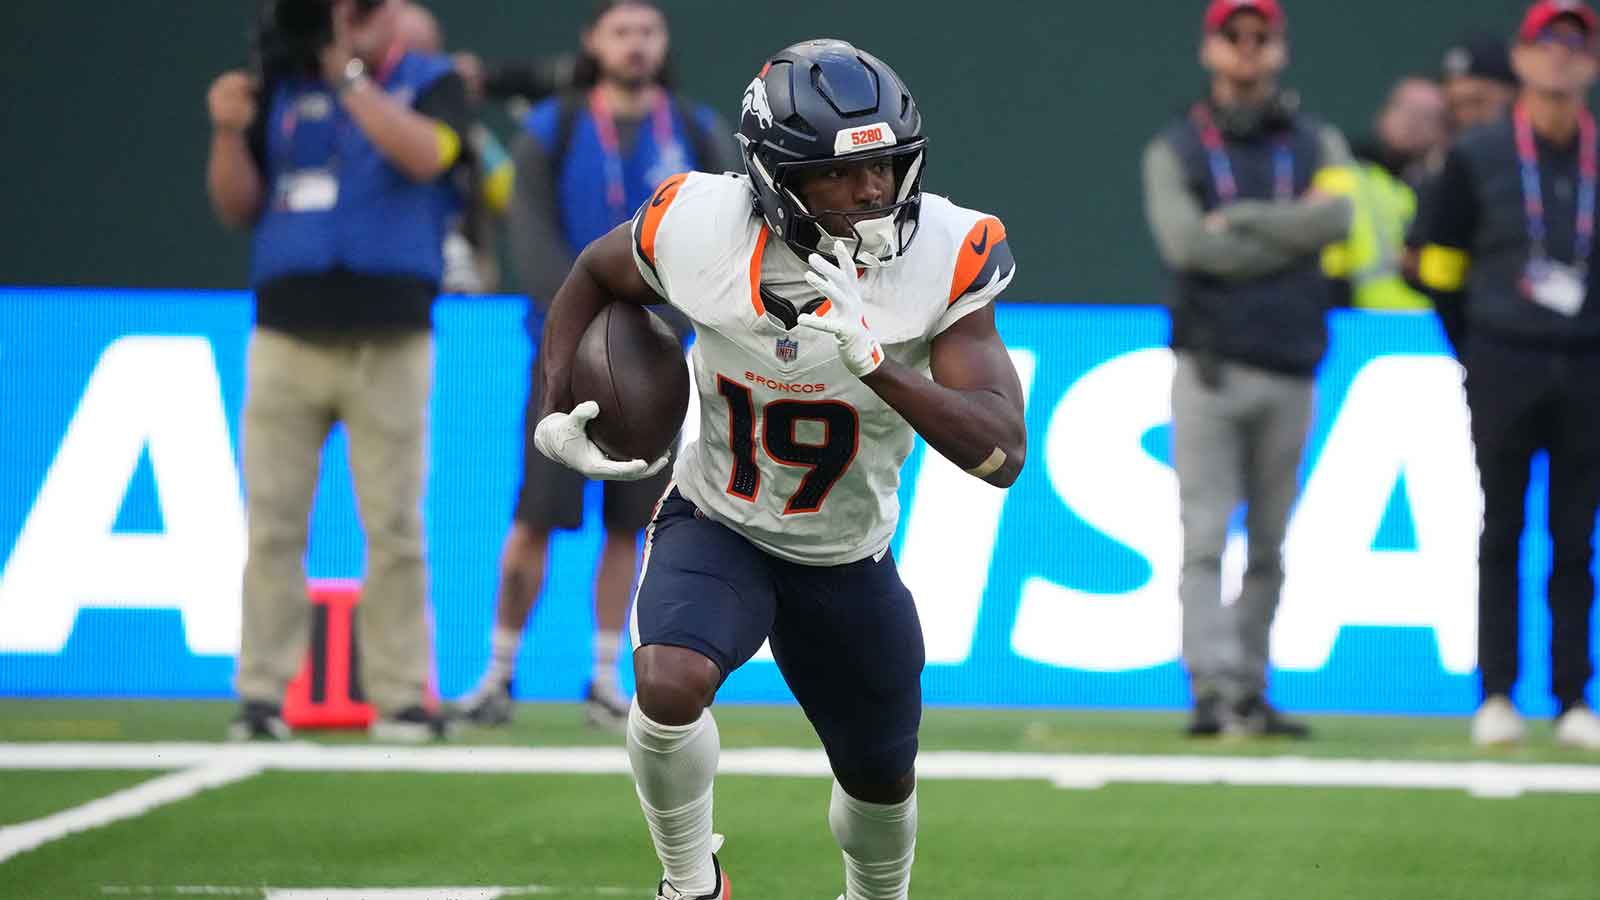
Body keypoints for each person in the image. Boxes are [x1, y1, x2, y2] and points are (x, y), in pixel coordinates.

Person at [531, 37, 1025, 900]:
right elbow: (593, 273)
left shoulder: (945, 250)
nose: (872, 192)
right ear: (774, 176)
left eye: (885, 167)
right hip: (720, 518)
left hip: (846, 553)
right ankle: (690, 884)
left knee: (881, 781)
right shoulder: (699, 225)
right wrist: (553, 402)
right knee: (667, 680)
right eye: (839, 174)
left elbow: (1002, 453)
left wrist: (879, 365)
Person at [452, 0, 736, 730]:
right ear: (593, 42)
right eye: (621, 32)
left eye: (648, 32)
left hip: (659, 363)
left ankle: (607, 677)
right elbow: (534, 242)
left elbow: (718, 242)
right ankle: (497, 675)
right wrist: (586, 333)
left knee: (631, 525)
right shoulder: (554, 129)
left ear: (663, 42)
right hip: (564, 355)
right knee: (534, 517)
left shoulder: (695, 130)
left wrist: (662, 332)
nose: (636, 45)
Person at [207, 0, 465, 742]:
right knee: (273, 521)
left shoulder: (432, 80)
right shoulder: (277, 87)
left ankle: (401, 695)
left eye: (357, 14)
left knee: (393, 524)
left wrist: (348, 77)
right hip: (286, 334)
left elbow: (430, 156)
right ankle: (261, 693)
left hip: (389, 337)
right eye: (333, 16)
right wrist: (228, 129)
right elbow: (236, 205)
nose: (343, 28)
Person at [1141, 0, 1352, 739]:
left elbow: (1338, 218)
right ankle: (1211, 687)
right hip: (1212, 368)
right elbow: (1188, 245)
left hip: (1291, 364)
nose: (1248, 49)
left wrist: (1244, 220)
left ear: (1280, 49)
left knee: (1269, 542)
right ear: (1211, 48)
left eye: (1262, 38)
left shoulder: (1316, 140)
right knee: (1204, 535)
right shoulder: (1177, 145)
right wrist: (1290, 233)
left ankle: (1250, 686)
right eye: (1235, 36)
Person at [1415, 0, 1600, 750]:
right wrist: (1474, 344)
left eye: (1575, 45)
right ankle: (1495, 693)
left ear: (1592, 64)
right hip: (1503, 358)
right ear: (1520, 59)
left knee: (1576, 537)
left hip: (1587, 363)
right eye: (1546, 43)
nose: (1560, 57)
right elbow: (1438, 262)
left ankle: (1573, 698)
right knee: (1502, 528)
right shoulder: (1481, 154)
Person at [393, 1, 513, 294]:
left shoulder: (471, 136)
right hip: (385, 282)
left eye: (429, 57)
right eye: (406, 57)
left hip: (460, 292)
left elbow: (511, 197)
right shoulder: (356, 118)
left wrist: (464, 116)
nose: (419, 71)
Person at [1323, 77, 1448, 310]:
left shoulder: (1449, 189)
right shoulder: (1346, 178)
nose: (1413, 123)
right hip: (1361, 322)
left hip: (1433, 323)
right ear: (1382, 116)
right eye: (1406, 110)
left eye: (1427, 116)